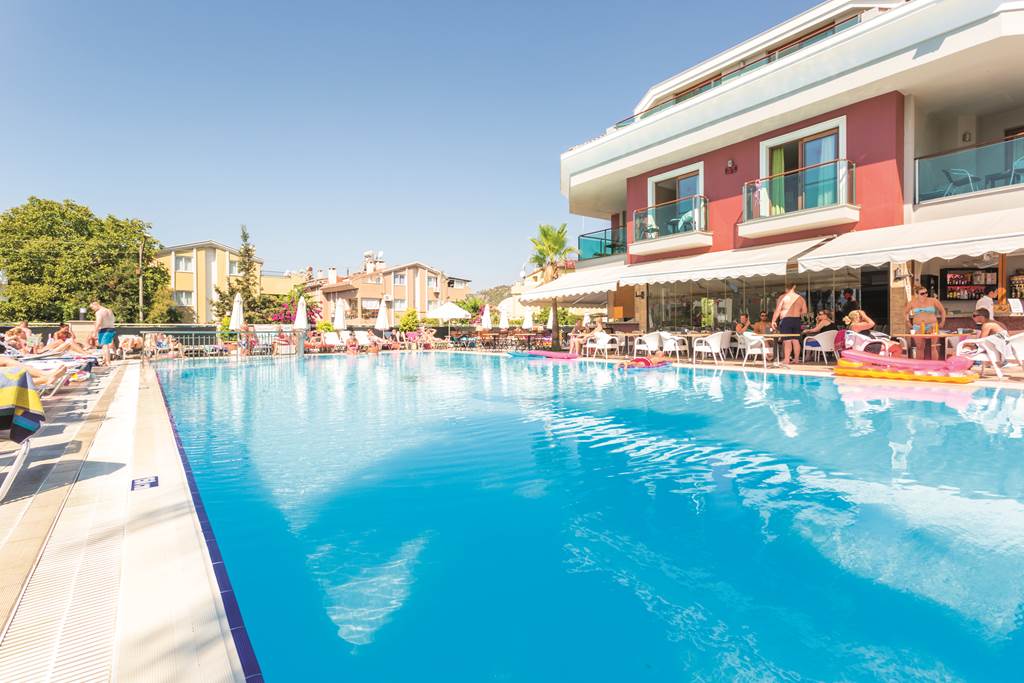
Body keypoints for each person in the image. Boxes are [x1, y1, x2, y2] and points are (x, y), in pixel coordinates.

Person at [904, 285, 946, 358]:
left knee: (933, 347)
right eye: (922, 293)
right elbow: (905, 312)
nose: (925, 295)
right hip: (918, 327)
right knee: (919, 347)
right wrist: (908, 322)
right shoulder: (912, 302)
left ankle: (935, 365)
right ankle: (920, 365)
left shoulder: (933, 300)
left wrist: (942, 322)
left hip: (932, 326)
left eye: (926, 292)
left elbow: (942, 311)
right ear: (917, 294)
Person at [771, 284, 807, 364]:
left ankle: (787, 359)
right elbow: (804, 312)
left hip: (786, 320)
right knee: (796, 340)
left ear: (786, 289)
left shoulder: (783, 297)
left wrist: (773, 321)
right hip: (797, 320)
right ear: (794, 287)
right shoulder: (801, 298)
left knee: (787, 340)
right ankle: (796, 359)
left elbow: (778, 310)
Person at [89, 300, 116, 366]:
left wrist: (95, 332)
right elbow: (113, 320)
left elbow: (98, 322)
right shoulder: (109, 310)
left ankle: (108, 362)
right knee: (104, 346)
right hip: (111, 328)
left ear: (96, 305)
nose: (92, 309)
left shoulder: (99, 312)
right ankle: (104, 360)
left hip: (105, 329)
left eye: (92, 307)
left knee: (105, 346)